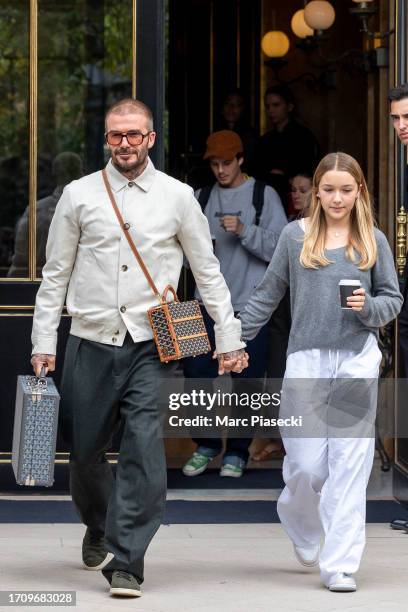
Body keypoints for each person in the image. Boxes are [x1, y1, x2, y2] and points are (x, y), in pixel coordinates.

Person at [30, 98, 247, 598]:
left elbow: (207, 271)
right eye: (115, 135)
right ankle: (98, 523)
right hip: (89, 341)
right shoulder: (79, 194)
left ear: (150, 138)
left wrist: (228, 335)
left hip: (152, 345)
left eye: (134, 134)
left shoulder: (177, 197)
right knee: (84, 453)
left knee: (143, 450)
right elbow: (55, 275)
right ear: (106, 139)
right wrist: (44, 340)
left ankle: (128, 559)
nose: (124, 143)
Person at [239, 151, 402, 592]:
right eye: (328, 189)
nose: (336, 198)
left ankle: (340, 565)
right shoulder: (296, 237)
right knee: (308, 465)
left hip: (356, 358)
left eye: (346, 190)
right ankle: (303, 525)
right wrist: (236, 339)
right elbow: (268, 292)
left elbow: (392, 299)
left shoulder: (373, 239)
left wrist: (367, 308)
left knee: (349, 463)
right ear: (316, 190)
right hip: (307, 359)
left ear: (359, 192)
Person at [182, 130, 287, 477]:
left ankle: (237, 451)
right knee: (196, 376)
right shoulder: (200, 197)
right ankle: (206, 444)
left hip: (250, 307)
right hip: (202, 305)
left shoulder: (263, 195)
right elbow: (181, 258)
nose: (220, 170)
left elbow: (281, 251)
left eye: (226, 162)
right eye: (214, 163)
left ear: (241, 160)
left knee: (248, 380)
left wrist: (244, 230)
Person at [254, 85, 320, 212]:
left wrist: (285, 176)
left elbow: (308, 169)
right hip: (267, 199)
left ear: (289, 106)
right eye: (267, 106)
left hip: (293, 198)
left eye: (276, 105)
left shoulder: (303, 136)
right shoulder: (265, 140)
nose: (270, 110)